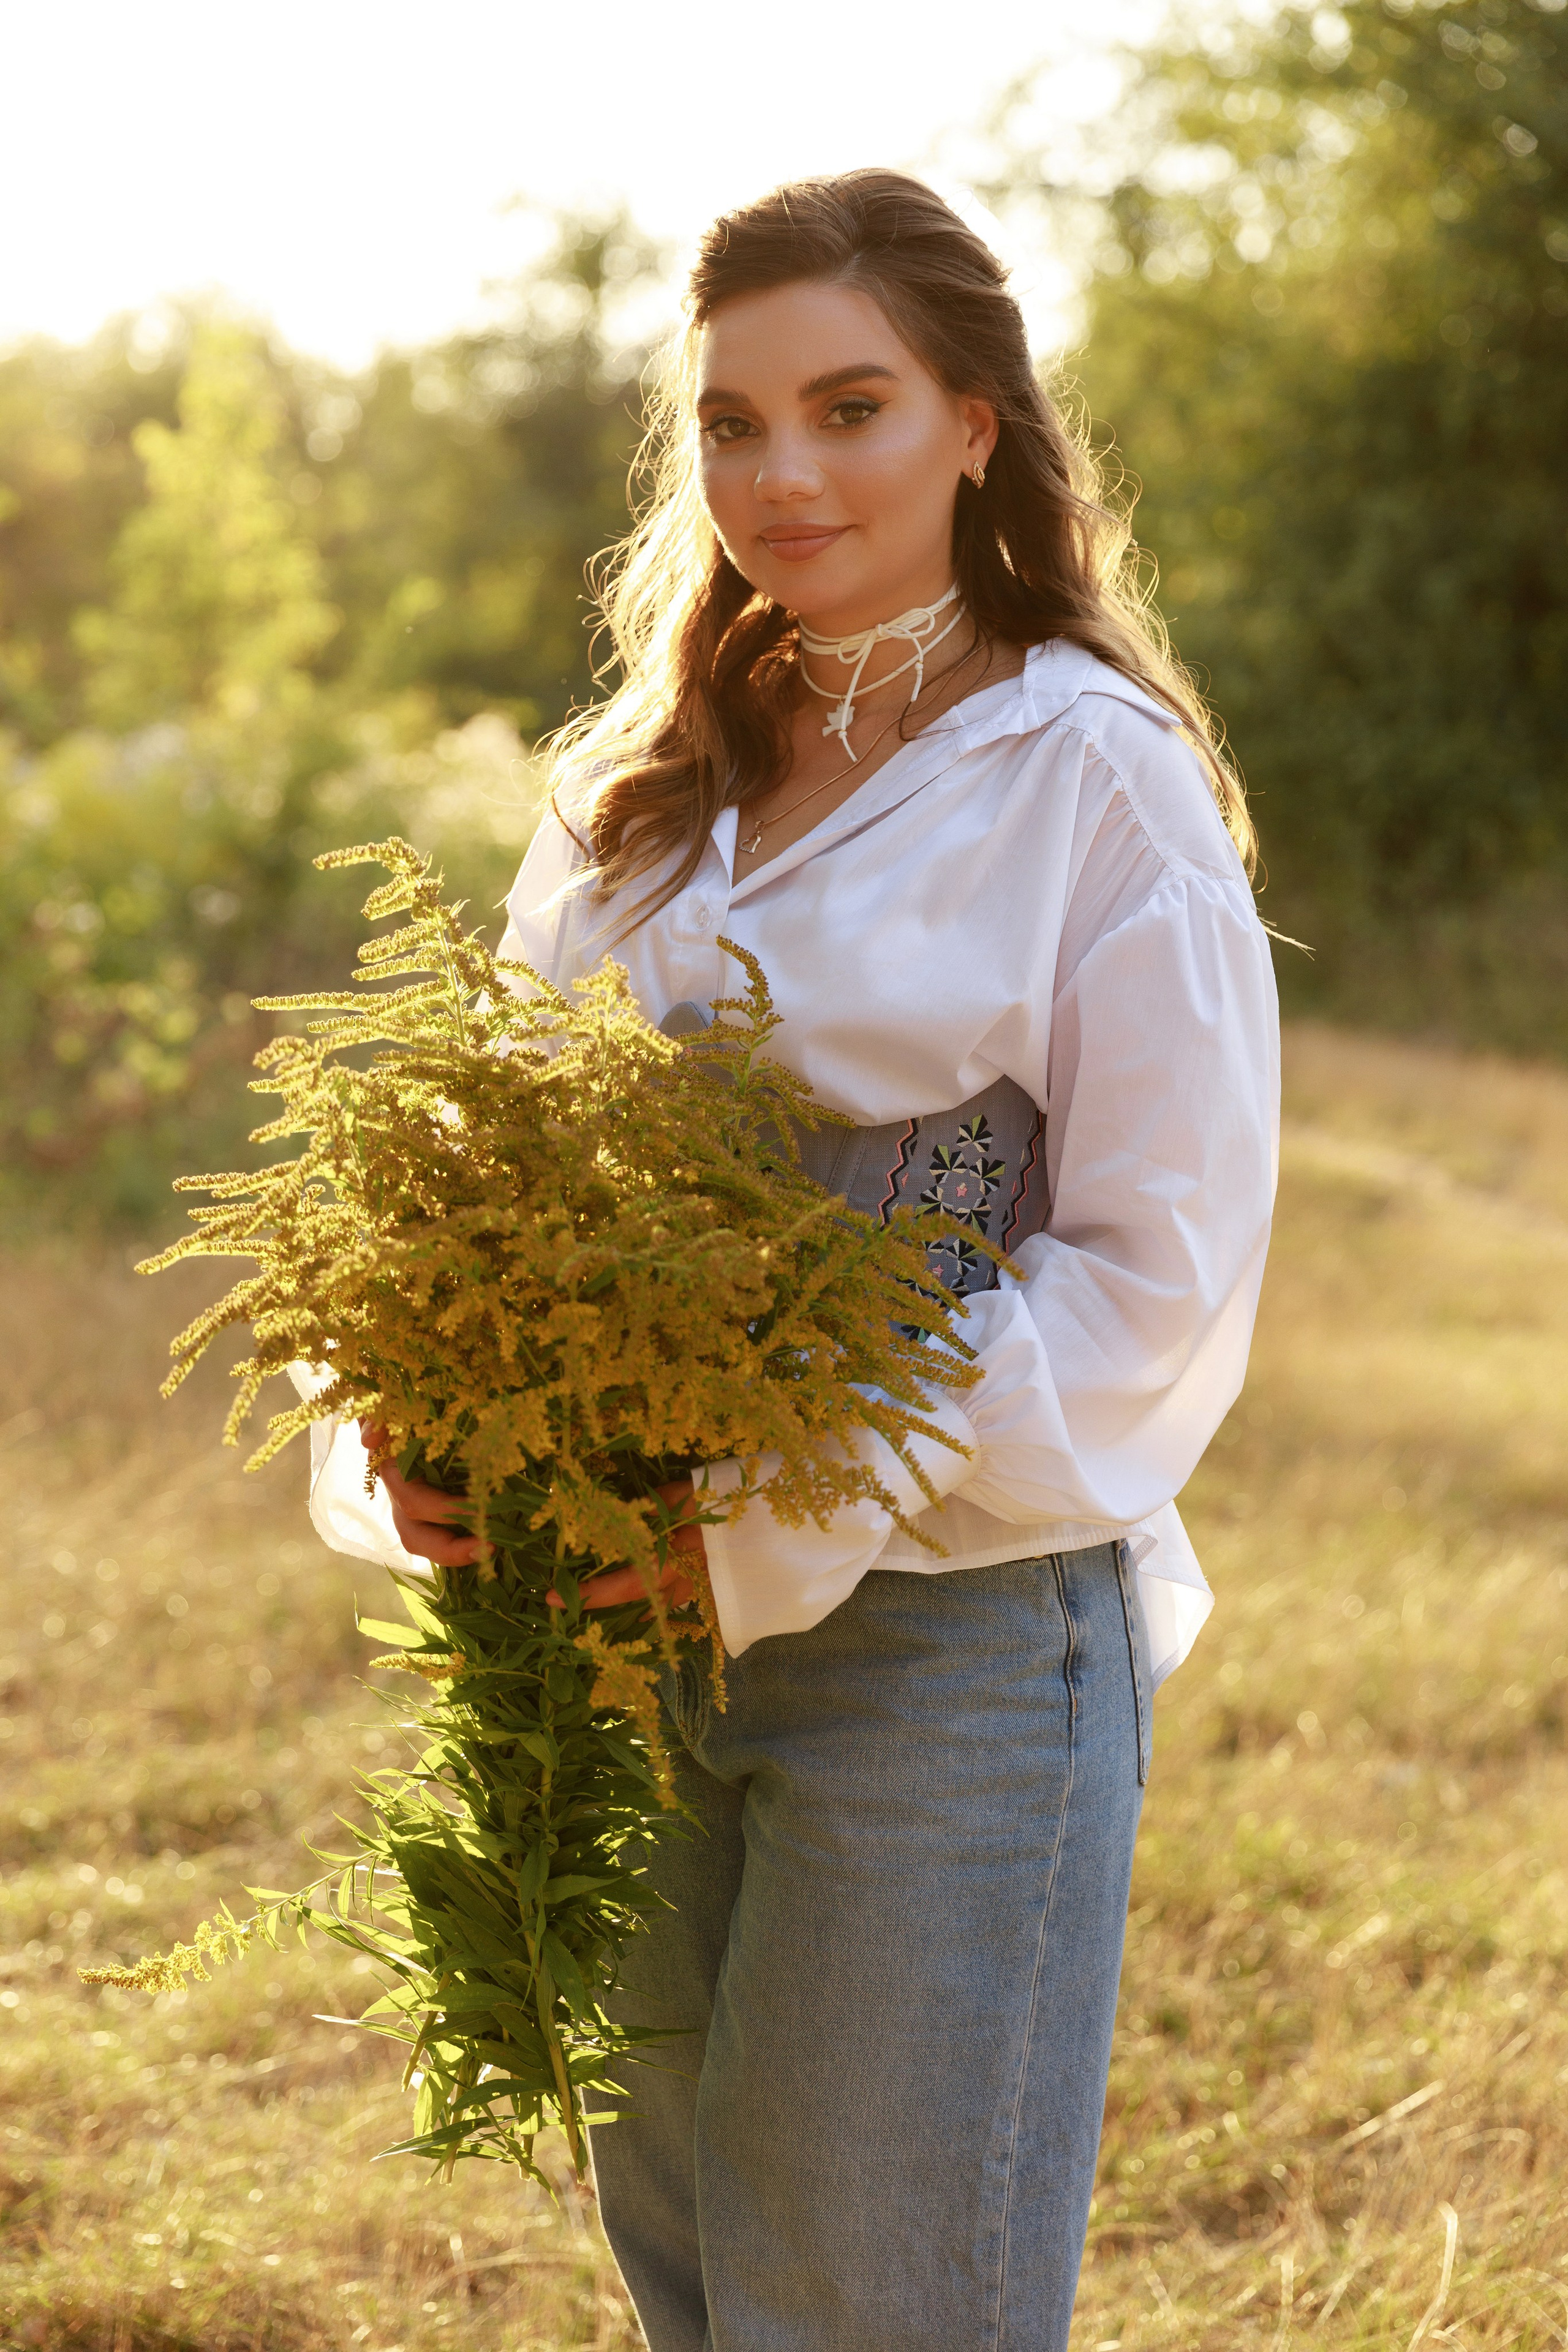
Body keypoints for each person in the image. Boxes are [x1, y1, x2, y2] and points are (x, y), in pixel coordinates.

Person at [307, 170, 1279, 2352]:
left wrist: (777, 1499)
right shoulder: (641, 793)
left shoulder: (1090, 784)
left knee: (865, 2309)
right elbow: (494, 1178)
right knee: (699, 2285)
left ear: (974, 424)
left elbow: (1155, 1286)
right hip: (615, 1633)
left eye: (849, 407)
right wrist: (419, 1420)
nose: (784, 473)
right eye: (734, 423)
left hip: (950, 1640)